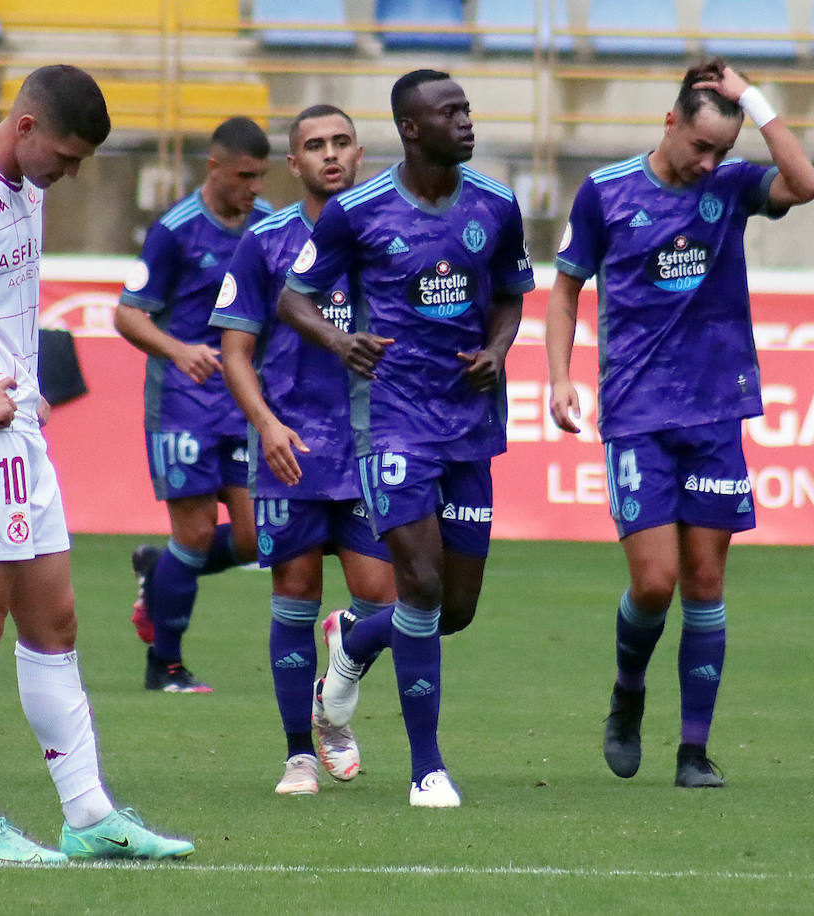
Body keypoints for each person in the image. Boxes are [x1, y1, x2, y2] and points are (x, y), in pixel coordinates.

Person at [0, 64, 194, 864]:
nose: (70, 171)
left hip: (19, 436)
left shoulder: (27, 185)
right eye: (66, 153)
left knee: (54, 621)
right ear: (24, 127)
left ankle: (88, 815)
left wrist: (21, 388)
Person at [545, 60, 814, 788]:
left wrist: (753, 100)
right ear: (670, 123)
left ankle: (693, 750)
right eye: (700, 146)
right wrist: (561, 376)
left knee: (705, 579)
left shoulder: (728, 191)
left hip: (714, 411)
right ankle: (628, 692)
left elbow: (806, 182)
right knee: (655, 583)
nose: (710, 162)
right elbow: (566, 288)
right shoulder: (606, 192)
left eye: (721, 151)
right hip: (636, 414)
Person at [278, 70, 535, 807]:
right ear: (412, 128)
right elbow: (293, 298)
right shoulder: (356, 213)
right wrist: (340, 341)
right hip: (390, 418)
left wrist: (497, 349)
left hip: (470, 422)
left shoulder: (495, 203)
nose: (466, 121)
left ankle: (353, 645)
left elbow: (513, 296)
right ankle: (428, 769)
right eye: (449, 112)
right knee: (418, 582)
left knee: (452, 610)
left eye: (467, 109)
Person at [209, 105, 396, 796]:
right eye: (314, 145)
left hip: (376, 448)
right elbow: (234, 349)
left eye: (341, 142)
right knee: (292, 593)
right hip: (293, 448)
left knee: (388, 604)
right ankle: (300, 754)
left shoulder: (388, 234)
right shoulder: (264, 242)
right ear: (294, 164)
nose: (330, 154)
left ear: (360, 152)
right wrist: (265, 424)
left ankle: (336, 685)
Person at [115, 117, 274, 693]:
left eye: (261, 176)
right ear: (214, 167)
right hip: (183, 402)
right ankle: (167, 665)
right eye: (244, 176)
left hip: (244, 401)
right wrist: (179, 350)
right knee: (198, 533)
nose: (254, 187)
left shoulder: (267, 224)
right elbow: (127, 313)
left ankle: (161, 573)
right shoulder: (175, 230)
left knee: (263, 538)